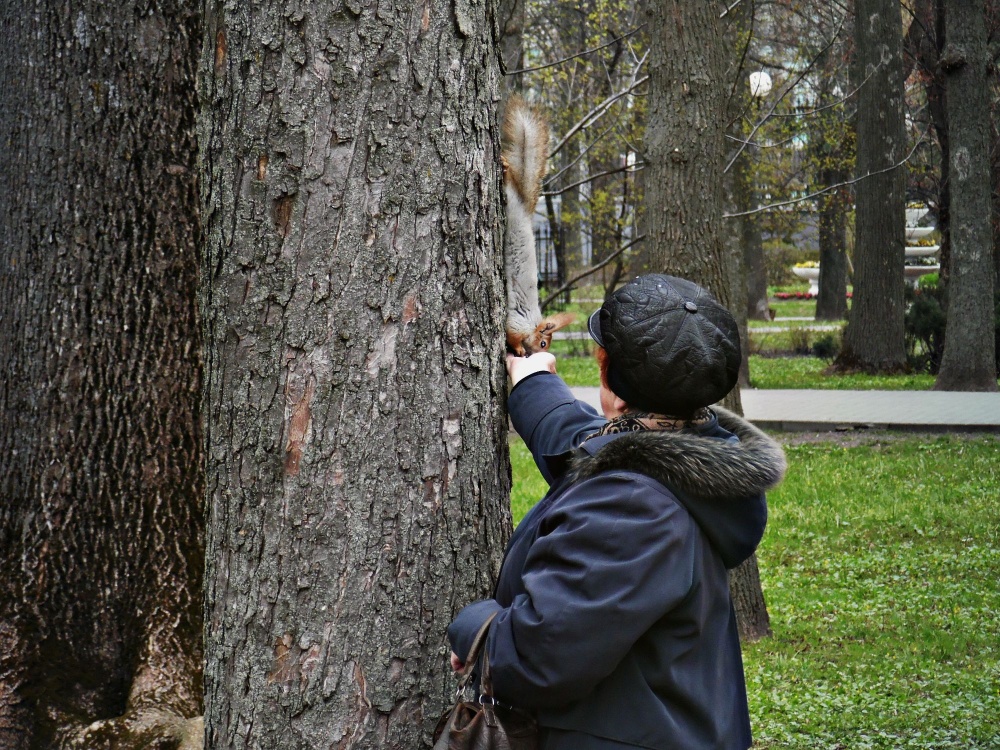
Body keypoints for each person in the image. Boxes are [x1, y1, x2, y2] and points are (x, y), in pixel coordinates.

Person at [447, 274, 787, 749]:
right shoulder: (693, 460)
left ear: (608, 375)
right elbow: (586, 443)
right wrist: (534, 383)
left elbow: (537, 658)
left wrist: (477, 628)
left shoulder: (634, 507)